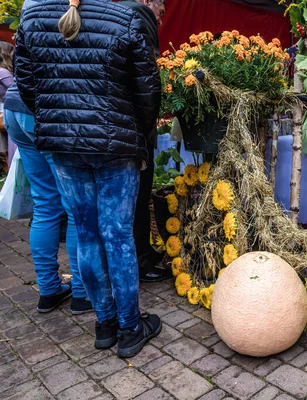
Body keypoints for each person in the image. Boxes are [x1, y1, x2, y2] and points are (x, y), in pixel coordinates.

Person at [15, 0, 163, 358]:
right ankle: (129, 328)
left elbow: (27, 85)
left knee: (87, 234)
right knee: (118, 236)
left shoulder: (31, 19)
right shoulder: (125, 18)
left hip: (64, 145)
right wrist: (138, 139)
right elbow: (148, 92)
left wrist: (60, 123)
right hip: (116, 145)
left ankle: (105, 323)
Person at [3, 29, 91, 314]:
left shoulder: (32, 9)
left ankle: (49, 289)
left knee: (45, 205)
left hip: (15, 104)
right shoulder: (69, 11)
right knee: (76, 208)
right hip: (45, 106)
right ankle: (81, 292)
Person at [120, 0, 170, 282]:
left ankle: (142, 253)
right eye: (160, 13)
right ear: (149, 2)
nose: (160, 21)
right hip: (134, 128)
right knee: (137, 198)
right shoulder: (138, 14)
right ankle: (141, 262)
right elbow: (149, 79)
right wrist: (147, 125)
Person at [0, 41, 14, 173]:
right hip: (10, 113)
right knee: (13, 149)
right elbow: (16, 90)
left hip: (5, 113)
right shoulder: (3, 72)